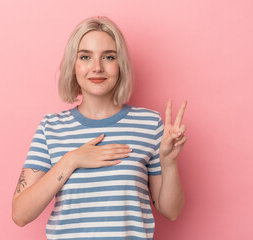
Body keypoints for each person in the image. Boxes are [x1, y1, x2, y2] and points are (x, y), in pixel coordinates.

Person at [12, 16, 187, 240]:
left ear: (120, 65)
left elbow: (171, 211)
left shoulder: (150, 124)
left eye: (108, 57)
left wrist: (169, 162)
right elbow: (20, 214)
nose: (97, 67)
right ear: (73, 66)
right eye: (85, 56)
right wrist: (72, 160)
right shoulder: (51, 128)